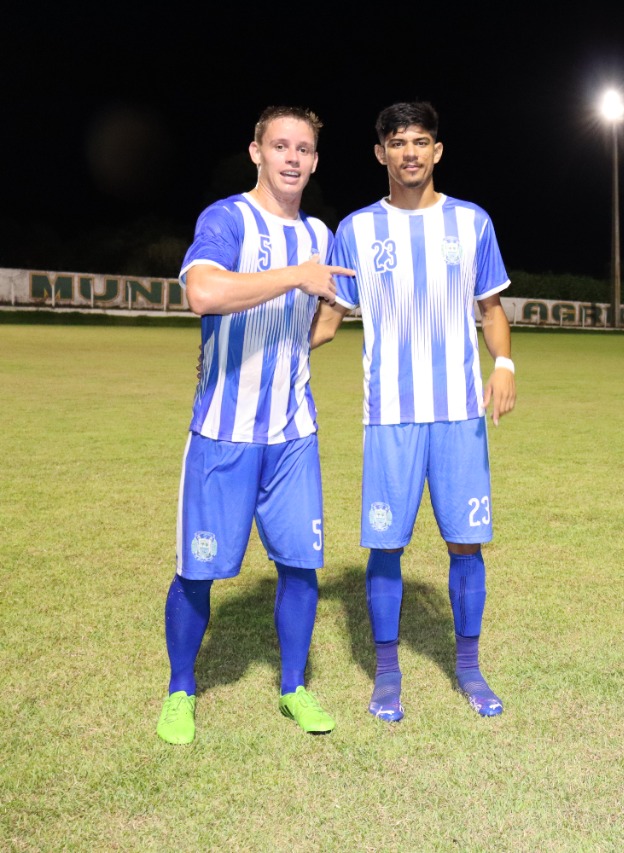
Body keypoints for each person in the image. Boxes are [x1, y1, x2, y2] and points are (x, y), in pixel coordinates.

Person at [156, 106, 355, 745]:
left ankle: (294, 687)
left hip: (294, 431)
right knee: (199, 568)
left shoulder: (320, 234)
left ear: (315, 160)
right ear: (256, 152)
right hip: (223, 429)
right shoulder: (226, 218)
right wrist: (296, 276)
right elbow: (204, 294)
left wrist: (320, 319)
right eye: (280, 146)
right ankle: (181, 691)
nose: (292, 158)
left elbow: (319, 324)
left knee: (301, 567)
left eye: (303, 148)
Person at [311, 101, 516, 721]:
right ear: (380, 153)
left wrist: (503, 366)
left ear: (437, 151)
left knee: (465, 544)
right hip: (389, 416)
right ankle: (388, 673)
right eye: (397, 143)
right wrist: (275, 350)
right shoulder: (355, 230)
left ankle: (470, 668)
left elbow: (491, 309)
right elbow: (329, 318)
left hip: (458, 411)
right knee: (386, 546)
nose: (409, 153)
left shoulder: (472, 223)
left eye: (420, 142)